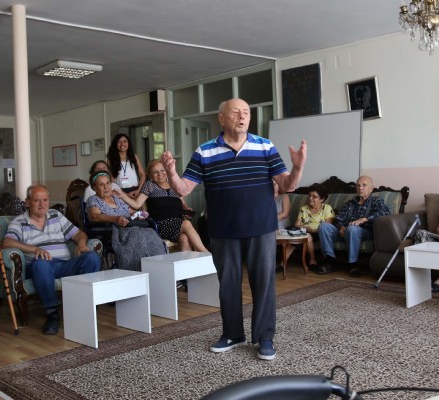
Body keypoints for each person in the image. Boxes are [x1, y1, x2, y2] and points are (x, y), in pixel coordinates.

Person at [161, 98, 306, 361]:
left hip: (261, 227)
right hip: (223, 229)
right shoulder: (205, 151)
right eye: (235, 112)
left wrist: (297, 167)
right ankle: (233, 334)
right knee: (228, 284)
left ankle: (264, 337)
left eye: (246, 113)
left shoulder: (265, 146)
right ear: (221, 118)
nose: (242, 117)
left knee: (263, 283)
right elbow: (183, 189)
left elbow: (287, 185)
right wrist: (171, 173)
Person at [2, 184, 101, 335]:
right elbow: (7, 243)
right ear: (27, 202)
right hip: (38, 267)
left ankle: (81, 306)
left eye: (45, 200)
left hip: (63, 264)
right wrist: (35, 249)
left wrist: (81, 244)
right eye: (37, 200)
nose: (42, 204)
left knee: (92, 257)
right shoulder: (19, 222)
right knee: (41, 263)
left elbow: (79, 234)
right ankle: (52, 313)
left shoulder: (56, 215)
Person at [116, 159, 208, 252]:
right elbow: (137, 204)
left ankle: (187, 265)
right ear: (150, 175)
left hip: (178, 224)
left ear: (167, 171)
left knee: (184, 238)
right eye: (155, 172)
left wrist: (187, 209)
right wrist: (122, 195)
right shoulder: (150, 186)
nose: (160, 174)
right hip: (161, 225)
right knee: (187, 224)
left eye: (162, 170)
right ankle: (205, 253)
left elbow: (183, 204)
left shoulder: (174, 186)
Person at [87, 171, 166, 271]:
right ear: (94, 187)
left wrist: (138, 215)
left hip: (131, 226)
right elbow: (95, 216)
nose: (106, 187)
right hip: (115, 231)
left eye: (108, 183)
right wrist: (116, 219)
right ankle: (137, 271)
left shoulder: (116, 198)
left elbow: (130, 211)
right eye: (101, 185)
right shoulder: (93, 199)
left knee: (151, 233)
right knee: (138, 235)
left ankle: (159, 269)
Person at [317, 175, 390, 277]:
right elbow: (339, 219)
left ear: (371, 188)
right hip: (345, 231)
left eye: (364, 185)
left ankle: (352, 264)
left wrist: (365, 218)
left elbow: (385, 213)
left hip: (364, 232)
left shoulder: (376, 201)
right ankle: (330, 261)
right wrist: (341, 227)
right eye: (358, 185)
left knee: (352, 229)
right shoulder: (350, 203)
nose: (360, 188)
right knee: (324, 226)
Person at [284, 183, 334, 270]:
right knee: (296, 236)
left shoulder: (327, 208)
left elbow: (328, 226)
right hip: (304, 232)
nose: (310, 198)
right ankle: (283, 263)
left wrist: (315, 230)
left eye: (314, 196)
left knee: (306, 236)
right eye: (310, 195)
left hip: (319, 234)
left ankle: (312, 259)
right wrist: (305, 228)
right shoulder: (304, 209)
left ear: (322, 199)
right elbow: (296, 225)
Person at [107, 133, 146, 199]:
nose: (122, 144)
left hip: (135, 191)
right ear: (115, 144)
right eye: (119, 142)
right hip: (120, 192)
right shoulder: (111, 159)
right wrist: (125, 194)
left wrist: (138, 190)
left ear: (128, 143)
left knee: (137, 209)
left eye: (125, 141)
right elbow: (111, 180)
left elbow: (142, 175)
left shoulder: (134, 156)